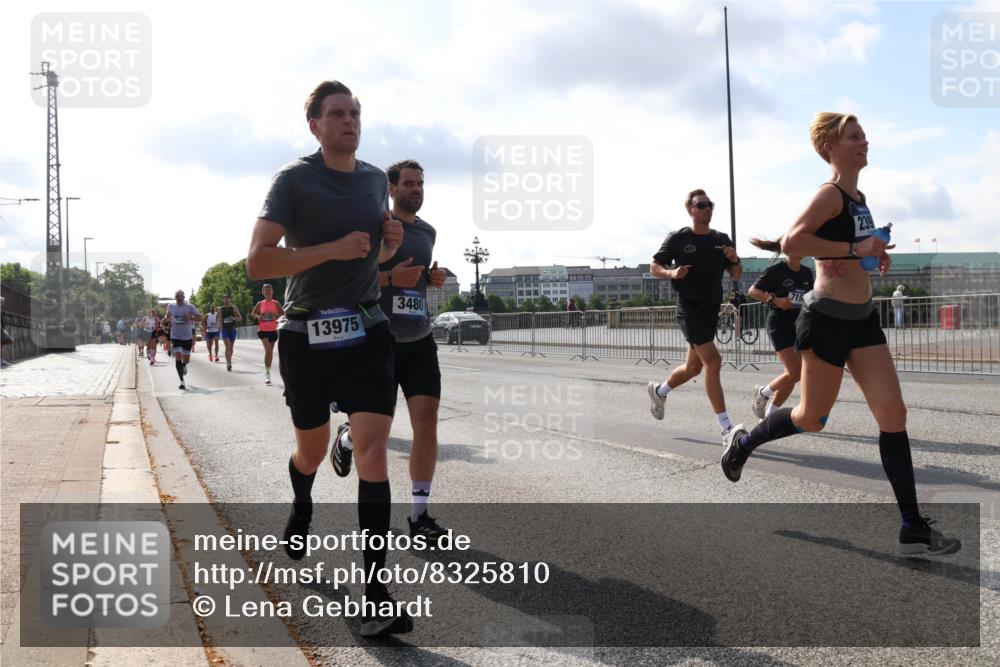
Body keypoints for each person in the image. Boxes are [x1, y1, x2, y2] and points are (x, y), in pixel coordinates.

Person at [720, 112, 960, 556]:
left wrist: (873, 254)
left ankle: (912, 526)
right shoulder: (829, 194)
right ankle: (745, 442)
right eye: (854, 136)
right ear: (829, 147)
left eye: (864, 135)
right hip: (826, 319)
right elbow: (793, 242)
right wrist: (854, 247)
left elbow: (851, 253)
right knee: (812, 418)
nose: (864, 141)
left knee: (894, 414)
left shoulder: (858, 199)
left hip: (863, 319)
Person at [246, 80, 408, 637]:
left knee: (374, 452)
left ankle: (376, 595)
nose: (349, 120)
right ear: (314, 124)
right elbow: (258, 262)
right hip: (305, 333)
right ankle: (302, 502)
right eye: (337, 113)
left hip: (366, 328)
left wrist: (388, 244)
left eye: (355, 112)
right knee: (310, 451)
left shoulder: (374, 180)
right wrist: (331, 250)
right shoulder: (293, 180)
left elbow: (372, 257)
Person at [330, 159, 450, 544]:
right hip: (378, 340)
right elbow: (351, 278)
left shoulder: (428, 232)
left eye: (420, 183)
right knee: (375, 436)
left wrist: (432, 279)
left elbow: (415, 284)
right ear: (392, 189)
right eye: (409, 184)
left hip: (419, 340)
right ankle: (347, 438)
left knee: (426, 423)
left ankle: (419, 516)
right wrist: (390, 277)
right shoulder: (377, 226)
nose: (416, 190)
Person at [646, 189, 743, 440]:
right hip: (689, 308)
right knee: (713, 361)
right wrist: (672, 273)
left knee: (693, 368)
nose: (707, 208)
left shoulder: (721, 239)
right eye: (701, 205)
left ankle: (660, 391)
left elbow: (736, 275)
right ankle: (726, 428)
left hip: (711, 308)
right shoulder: (678, 238)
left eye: (710, 205)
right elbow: (654, 266)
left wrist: (734, 260)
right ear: (690, 210)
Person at [746, 239, 813, 420]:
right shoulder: (776, 270)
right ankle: (763, 393)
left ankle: (770, 415)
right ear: (788, 249)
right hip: (779, 324)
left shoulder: (807, 272)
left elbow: (809, 298)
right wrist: (776, 300)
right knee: (795, 372)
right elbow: (753, 291)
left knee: (791, 374)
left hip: (798, 325)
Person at [162, 290, 201, 390]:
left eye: (180, 296)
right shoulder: (171, 306)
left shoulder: (190, 307)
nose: (178, 298)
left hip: (187, 336)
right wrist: (165, 319)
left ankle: (184, 365)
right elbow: (167, 315)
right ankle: (182, 381)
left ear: (183, 297)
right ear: (175, 297)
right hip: (175, 336)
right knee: (178, 357)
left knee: (186, 360)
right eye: (176, 296)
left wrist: (191, 317)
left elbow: (200, 318)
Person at [251, 284, 284, 384]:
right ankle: (267, 375)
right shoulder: (260, 303)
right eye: (266, 291)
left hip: (273, 330)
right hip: (263, 330)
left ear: (272, 292)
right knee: (268, 351)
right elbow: (253, 313)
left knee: (270, 353)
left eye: (269, 290)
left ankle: (268, 371)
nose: (268, 292)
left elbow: (283, 314)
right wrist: (258, 317)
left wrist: (276, 315)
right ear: (263, 292)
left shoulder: (276, 303)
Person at [218, 294, 242, 371]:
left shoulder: (234, 308)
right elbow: (218, 319)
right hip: (224, 329)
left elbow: (240, 318)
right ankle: (228, 363)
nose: (226, 300)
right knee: (227, 346)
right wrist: (219, 324)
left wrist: (234, 318)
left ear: (230, 299)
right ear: (223, 300)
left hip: (232, 329)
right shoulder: (221, 309)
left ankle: (229, 360)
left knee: (231, 347)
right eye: (225, 299)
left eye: (227, 299)